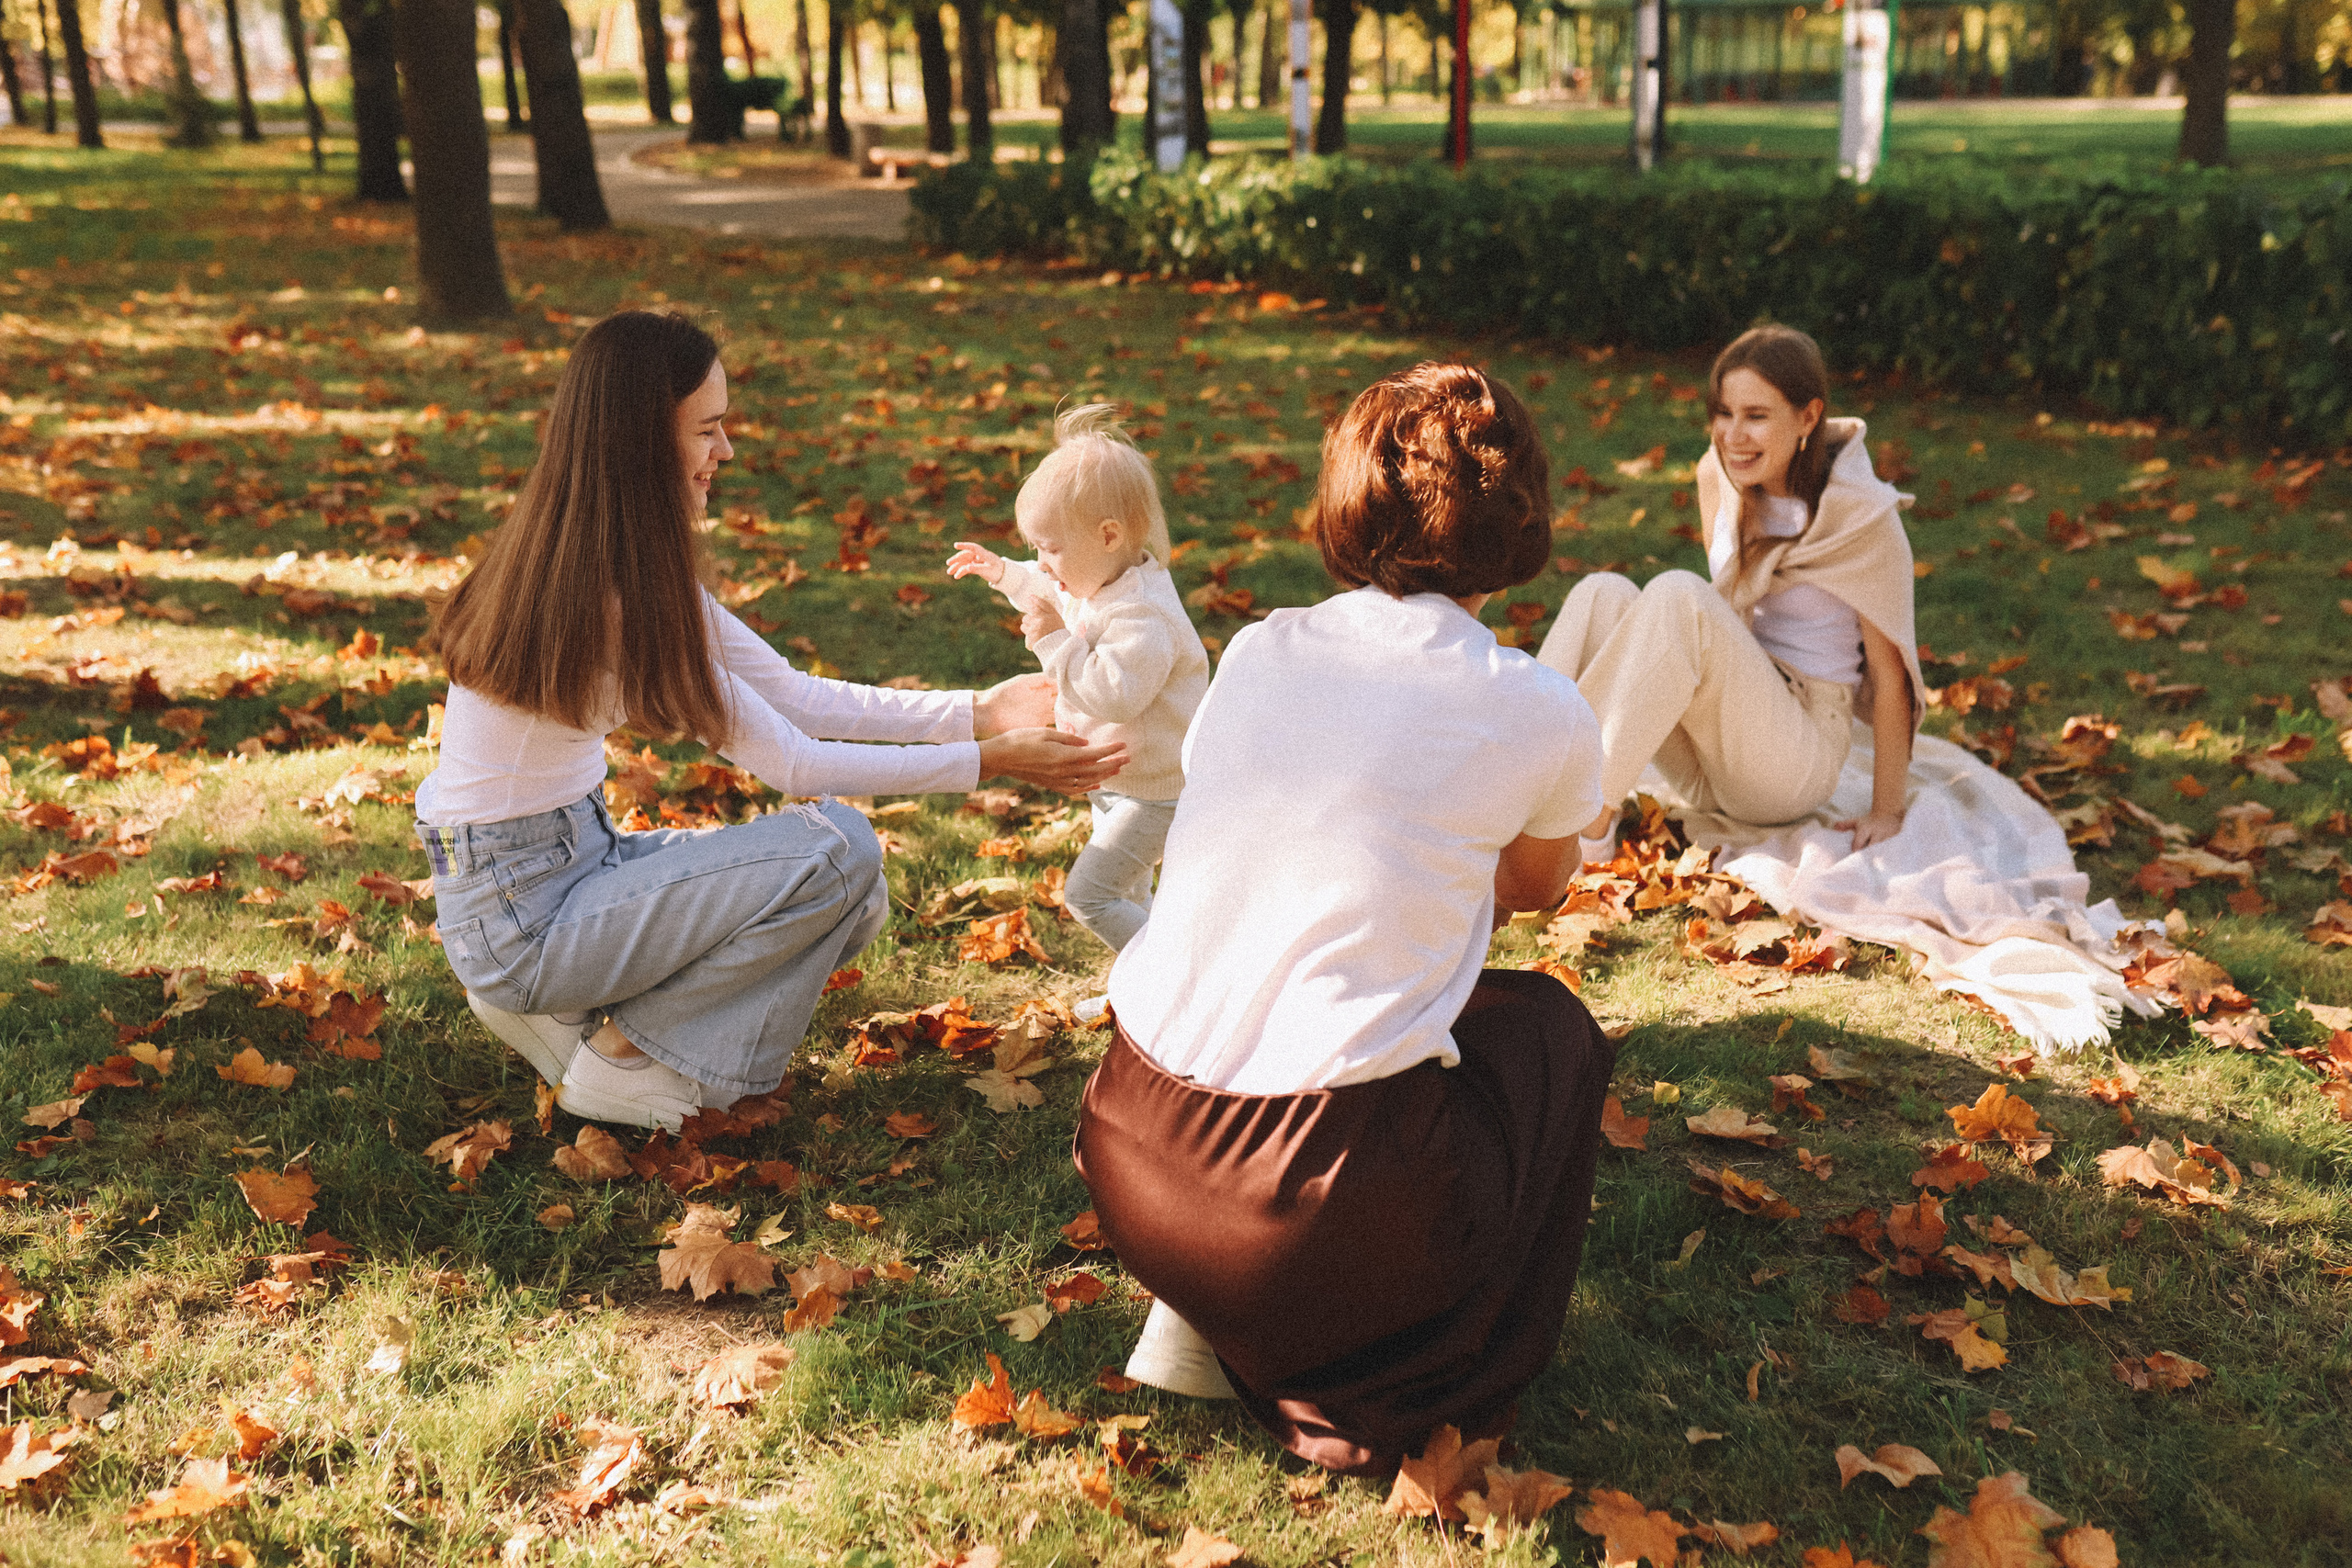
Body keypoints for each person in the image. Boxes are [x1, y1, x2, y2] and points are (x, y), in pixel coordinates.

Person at [1072, 362, 1618, 1476]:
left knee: (1352, 1001)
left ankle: (1202, 1312)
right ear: (1516, 512)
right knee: (1550, 1037)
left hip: (1126, 1145)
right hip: (1296, 1198)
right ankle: (1403, 1390)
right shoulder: (1532, 705)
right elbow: (1535, 886)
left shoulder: (1263, 645)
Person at [414, 310, 1125, 1133]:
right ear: (642, 441)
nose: (726, 450)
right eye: (707, 429)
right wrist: (990, 759)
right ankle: (625, 1062)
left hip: (549, 874)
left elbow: (793, 694)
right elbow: (797, 763)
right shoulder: (611, 598)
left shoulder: (582, 554)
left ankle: (573, 1017)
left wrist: (979, 711)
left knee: (856, 895)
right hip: (524, 914)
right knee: (838, 851)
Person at [1535, 324, 1924, 861]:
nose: (1733, 436)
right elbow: (1726, 612)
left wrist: (1886, 811)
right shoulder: (1719, 477)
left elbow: (1890, 676)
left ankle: (1583, 828)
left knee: (1680, 595)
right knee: (1602, 593)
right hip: (1722, 748)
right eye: (1724, 412)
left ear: (1808, 417)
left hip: (1796, 757)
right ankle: (1514, 778)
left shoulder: (1862, 518)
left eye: (1756, 416)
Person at [944, 404, 1209, 957]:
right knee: (1130, 894)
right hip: (1117, 777)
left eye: (1050, 548)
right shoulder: (1099, 578)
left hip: (1155, 792)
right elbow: (1051, 590)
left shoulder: (1141, 617)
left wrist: (1053, 643)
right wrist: (1005, 573)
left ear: (1108, 535)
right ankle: (1145, 995)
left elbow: (1113, 696)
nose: (1041, 563)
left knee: (1091, 896)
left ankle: (1173, 978)